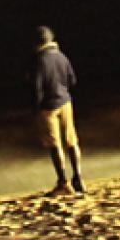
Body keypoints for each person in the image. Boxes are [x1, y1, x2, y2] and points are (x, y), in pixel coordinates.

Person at [33, 25, 85, 194]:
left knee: (55, 145)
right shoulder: (61, 56)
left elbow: (36, 88)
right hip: (65, 102)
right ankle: (78, 177)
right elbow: (72, 80)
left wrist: (37, 108)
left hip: (49, 107)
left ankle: (63, 182)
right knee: (72, 141)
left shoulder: (38, 60)